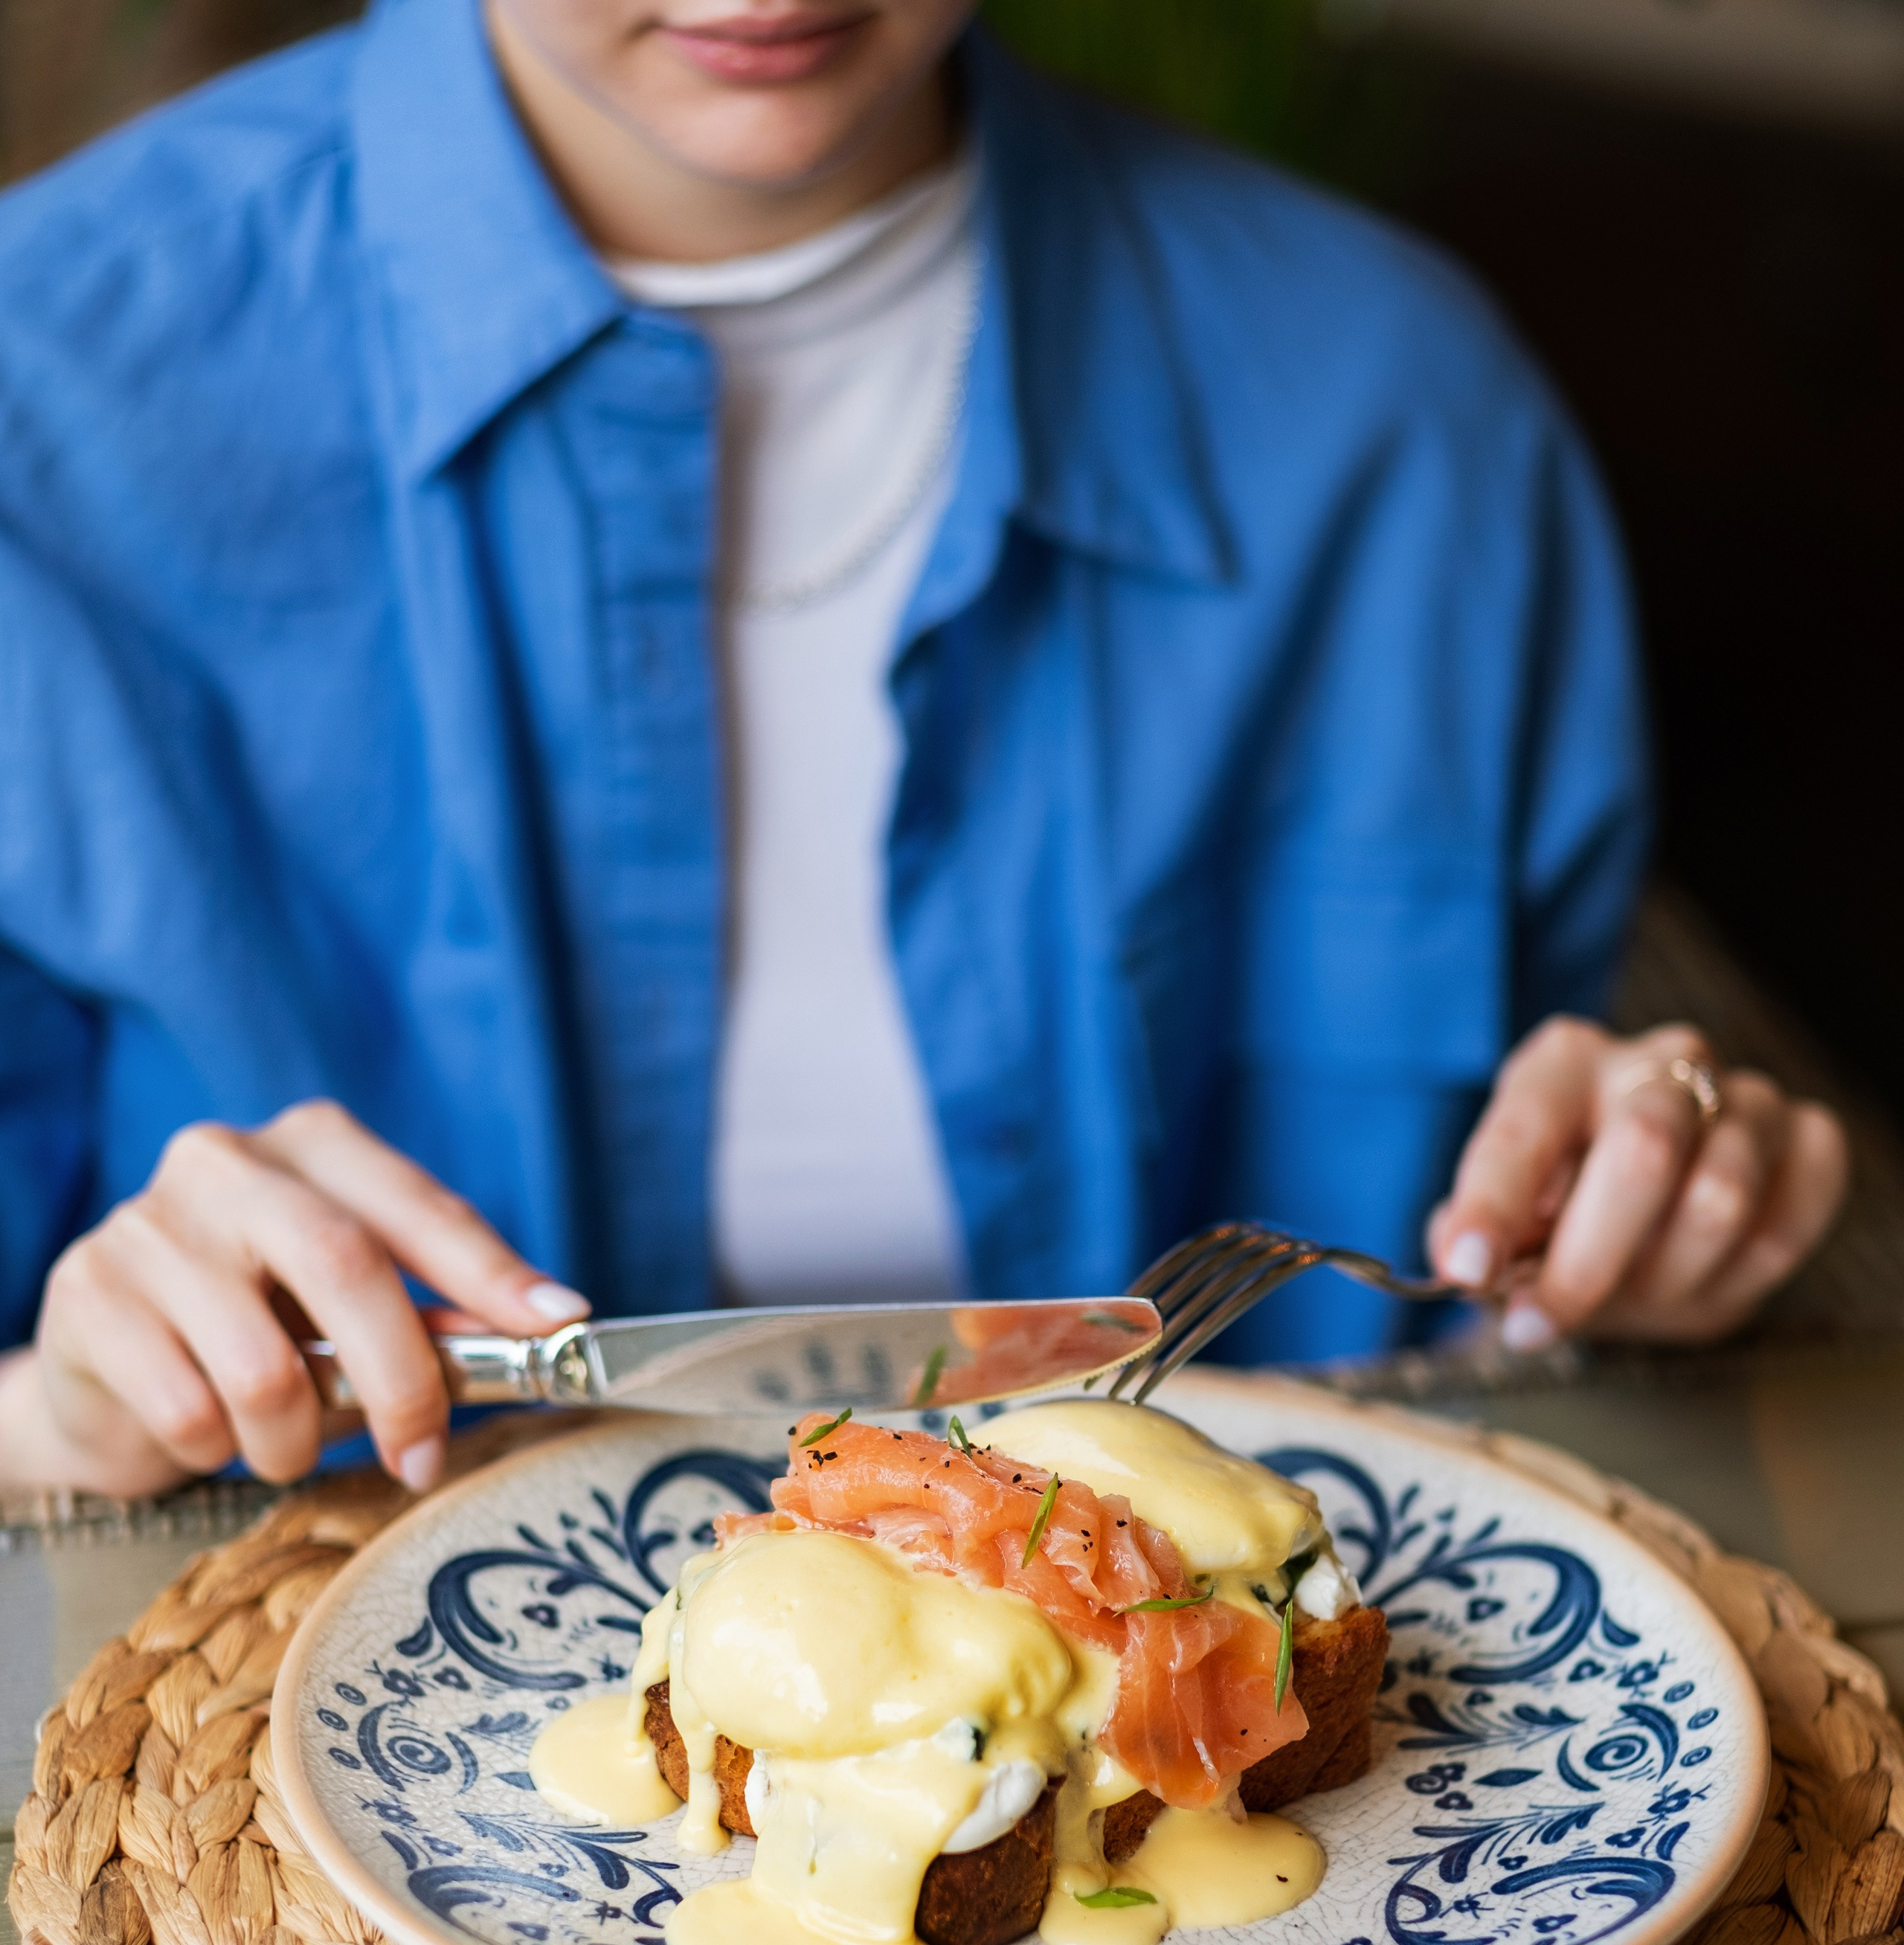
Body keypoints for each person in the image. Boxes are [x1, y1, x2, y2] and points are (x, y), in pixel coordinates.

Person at [0, 0, 1847, 1502]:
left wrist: (1633, 1239)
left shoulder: (1397, 421)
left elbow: (1484, 1340)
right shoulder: (48, 398)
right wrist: (65, 1414)